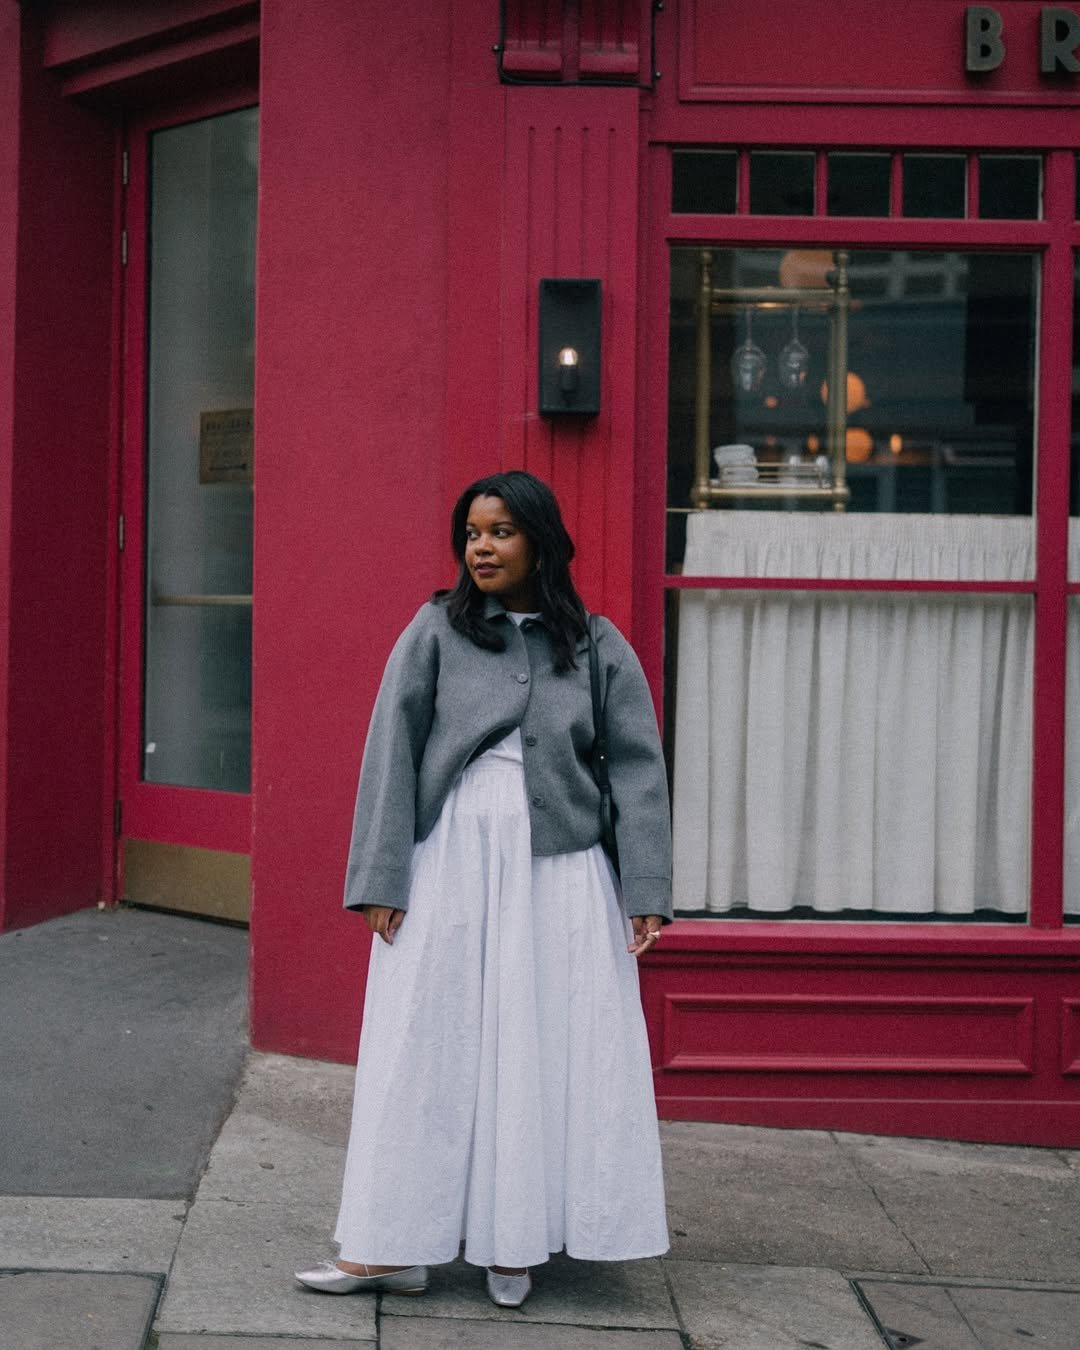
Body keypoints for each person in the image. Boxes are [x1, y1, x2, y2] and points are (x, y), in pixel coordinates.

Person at [295, 469, 671, 1310]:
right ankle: (388, 1245)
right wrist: (381, 876)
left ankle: (516, 1243)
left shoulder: (599, 643)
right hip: (452, 856)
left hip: (563, 867)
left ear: (540, 539)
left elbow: (638, 771)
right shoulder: (435, 630)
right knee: (423, 1041)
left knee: (537, 1044)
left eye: (500, 531)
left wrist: (644, 885)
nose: (482, 547)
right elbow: (391, 749)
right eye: (471, 532)